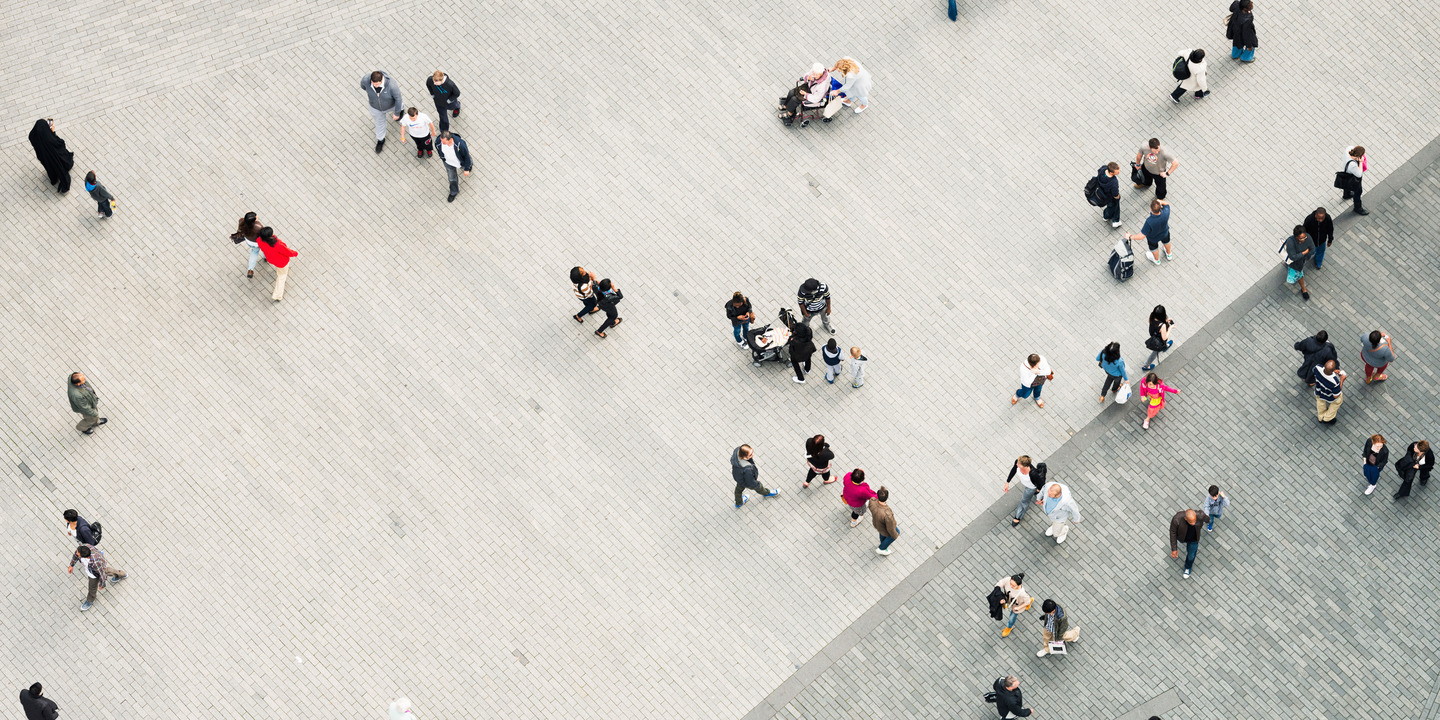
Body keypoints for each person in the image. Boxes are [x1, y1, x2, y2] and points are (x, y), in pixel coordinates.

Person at [69, 543, 126, 611]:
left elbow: (101, 574)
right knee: (106, 570)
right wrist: (71, 565)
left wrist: (102, 584)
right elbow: (76, 554)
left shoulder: (95, 563)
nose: (76, 552)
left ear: (83, 556)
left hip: (94, 574)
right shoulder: (83, 547)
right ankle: (121, 574)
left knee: (92, 587)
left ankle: (90, 600)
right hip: (99, 566)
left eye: (78, 553)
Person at [28, 119, 74, 193]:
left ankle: (54, 177)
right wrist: (52, 132)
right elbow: (59, 143)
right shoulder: (49, 139)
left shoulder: (32, 136)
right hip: (54, 155)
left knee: (49, 166)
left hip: (43, 156)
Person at [362, 71, 403, 153]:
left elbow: (398, 99)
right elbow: (363, 86)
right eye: (373, 83)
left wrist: (397, 113)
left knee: (400, 105)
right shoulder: (366, 80)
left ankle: (401, 111)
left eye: (377, 84)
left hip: (391, 105)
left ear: (381, 80)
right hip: (375, 107)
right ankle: (380, 140)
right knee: (379, 124)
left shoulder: (392, 85)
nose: (375, 86)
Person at [1002, 456, 1047, 527]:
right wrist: (1007, 482)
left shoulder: (1033, 474)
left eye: (1019, 464)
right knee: (1033, 494)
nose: (1017, 464)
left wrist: (1039, 489)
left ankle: (1018, 516)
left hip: (1030, 488)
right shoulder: (1017, 463)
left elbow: (1042, 485)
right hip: (1027, 484)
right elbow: (1014, 469)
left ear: (1025, 466)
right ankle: (1038, 493)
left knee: (1024, 501)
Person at [256, 227, 298, 301]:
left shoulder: (259, 240)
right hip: (281, 262)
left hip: (272, 259)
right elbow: (287, 251)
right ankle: (277, 295)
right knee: (282, 276)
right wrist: (295, 253)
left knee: (280, 270)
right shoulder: (276, 244)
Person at [1126, 199, 1172, 265]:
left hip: (1153, 238)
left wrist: (1130, 237)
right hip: (1165, 233)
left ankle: (1157, 260)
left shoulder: (1149, 221)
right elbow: (1167, 204)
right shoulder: (1166, 212)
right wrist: (1160, 201)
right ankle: (1169, 254)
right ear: (1160, 207)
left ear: (1151, 209)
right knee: (1167, 242)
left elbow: (1142, 236)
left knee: (1154, 248)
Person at [1168, 508, 1210, 578]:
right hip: (1182, 537)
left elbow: (1207, 519)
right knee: (1190, 553)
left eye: (1194, 521)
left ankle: (1188, 567)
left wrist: (1208, 519)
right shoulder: (1177, 519)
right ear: (1185, 518)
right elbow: (1173, 533)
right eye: (1191, 522)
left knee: (1191, 556)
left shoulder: (1200, 515)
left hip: (1194, 540)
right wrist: (1174, 549)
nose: (1193, 524)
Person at [437, 131, 473, 202]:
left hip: (460, 162)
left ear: (449, 139)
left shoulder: (460, 144)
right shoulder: (439, 142)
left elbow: (466, 156)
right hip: (448, 163)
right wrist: (443, 158)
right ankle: (454, 191)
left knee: (468, 162)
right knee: (452, 178)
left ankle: (469, 166)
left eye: (443, 142)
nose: (441, 143)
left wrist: (466, 168)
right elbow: (439, 149)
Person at [1282, 224, 1315, 300]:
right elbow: (1293, 257)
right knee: (1299, 275)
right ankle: (1303, 289)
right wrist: (1304, 253)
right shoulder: (1291, 241)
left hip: (1300, 261)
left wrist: (1301, 255)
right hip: (1294, 263)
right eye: (1301, 238)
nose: (1303, 239)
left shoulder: (1308, 237)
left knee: (1299, 274)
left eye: (1304, 237)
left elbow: (1312, 250)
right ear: (1296, 237)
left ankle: (1303, 289)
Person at [994, 573, 1031, 638]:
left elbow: (1027, 601)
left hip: (1017, 606)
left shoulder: (1022, 593)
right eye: (1010, 583)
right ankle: (1028, 603)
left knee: (1012, 618)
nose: (1011, 586)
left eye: (1013, 585)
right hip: (1009, 601)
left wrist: (1018, 608)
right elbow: (999, 584)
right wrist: (1000, 597)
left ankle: (1009, 627)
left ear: (1019, 585)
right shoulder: (1008, 580)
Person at [231, 212, 265, 278]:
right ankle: (265, 257)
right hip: (258, 243)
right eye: (256, 216)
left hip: (249, 241)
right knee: (264, 249)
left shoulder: (241, 221)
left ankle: (250, 270)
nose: (257, 216)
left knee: (254, 253)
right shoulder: (258, 226)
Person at [1313, 359, 1346, 424]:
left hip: (1319, 391)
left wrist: (1332, 372)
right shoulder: (1334, 382)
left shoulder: (1317, 367)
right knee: (1337, 402)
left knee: (1320, 403)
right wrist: (1342, 380)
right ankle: (1327, 418)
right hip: (1329, 396)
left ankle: (1320, 417)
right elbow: (1336, 395)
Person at [1142, 305, 1174, 371]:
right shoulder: (1162, 326)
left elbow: (1149, 321)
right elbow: (1164, 338)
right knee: (1155, 352)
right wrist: (1170, 328)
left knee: (1161, 345)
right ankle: (1146, 366)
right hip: (1158, 340)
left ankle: (1165, 346)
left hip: (1153, 333)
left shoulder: (1151, 315)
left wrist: (1166, 321)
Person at [787, 314, 816, 384]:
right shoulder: (809, 331)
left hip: (798, 354)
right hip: (808, 350)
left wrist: (792, 335)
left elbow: (790, 341)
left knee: (795, 363)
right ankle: (807, 370)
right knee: (808, 358)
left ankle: (800, 378)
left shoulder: (796, 340)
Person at [870, 487, 899, 555]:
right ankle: (882, 548)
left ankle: (883, 543)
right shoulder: (887, 514)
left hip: (877, 522)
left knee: (882, 532)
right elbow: (891, 527)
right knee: (895, 532)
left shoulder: (872, 500)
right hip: (884, 524)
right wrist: (895, 535)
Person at [1341, 145, 1369, 216]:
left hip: (1346, 173)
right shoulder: (1353, 165)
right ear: (1358, 157)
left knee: (1346, 185)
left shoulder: (1348, 149)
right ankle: (1357, 208)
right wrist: (1361, 162)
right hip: (1352, 177)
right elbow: (1359, 174)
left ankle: (1346, 195)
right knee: (1358, 191)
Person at [1096, 162, 1122, 227]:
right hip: (1110, 197)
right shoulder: (1113, 182)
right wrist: (1118, 198)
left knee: (1111, 206)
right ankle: (1115, 220)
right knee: (1114, 206)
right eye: (1117, 172)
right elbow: (1115, 194)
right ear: (1111, 173)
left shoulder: (1103, 169)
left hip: (1102, 193)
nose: (1119, 172)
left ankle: (1107, 217)